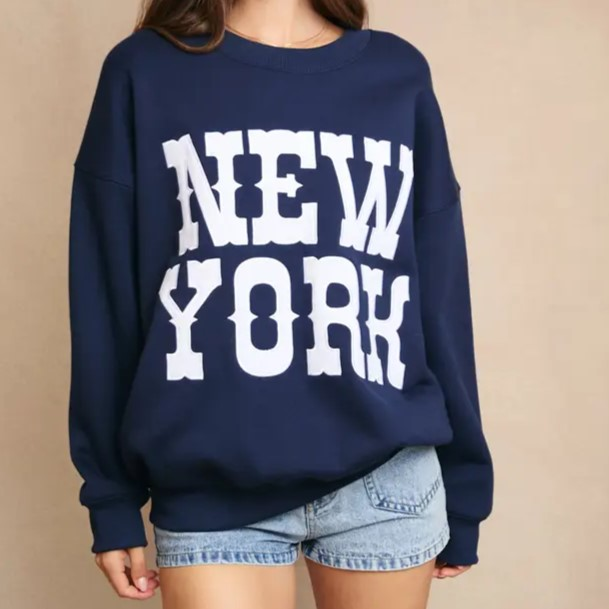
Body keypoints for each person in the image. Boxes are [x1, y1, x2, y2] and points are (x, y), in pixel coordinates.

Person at [67, 0, 494, 607]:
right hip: (209, 481)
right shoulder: (144, 71)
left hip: (387, 479)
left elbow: (437, 289)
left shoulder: (396, 73)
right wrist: (111, 496)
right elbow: (104, 295)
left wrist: (466, 481)